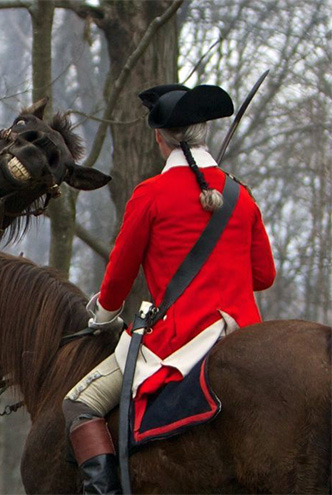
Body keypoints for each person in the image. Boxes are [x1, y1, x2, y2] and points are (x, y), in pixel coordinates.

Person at [61, 84, 276, 494]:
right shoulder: (239, 195)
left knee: (79, 403)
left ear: (159, 138)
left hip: (181, 339)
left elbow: (118, 280)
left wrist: (103, 315)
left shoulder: (151, 195)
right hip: (243, 332)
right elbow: (264, 277)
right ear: (203, 134)